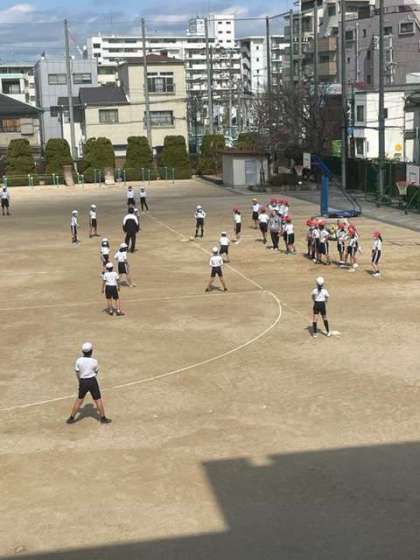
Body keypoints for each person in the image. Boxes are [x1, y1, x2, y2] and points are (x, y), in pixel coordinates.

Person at [66, 342, 111, 425]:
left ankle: (71, 418)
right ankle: (103, 418)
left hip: (83, 381)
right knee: (98, 399)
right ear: (91, 351)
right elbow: (96, 371)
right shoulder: (94, 361)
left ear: (83, 351)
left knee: (79, 400)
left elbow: (77, 372)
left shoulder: (79, 361)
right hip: (92, 381)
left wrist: (80, 381)